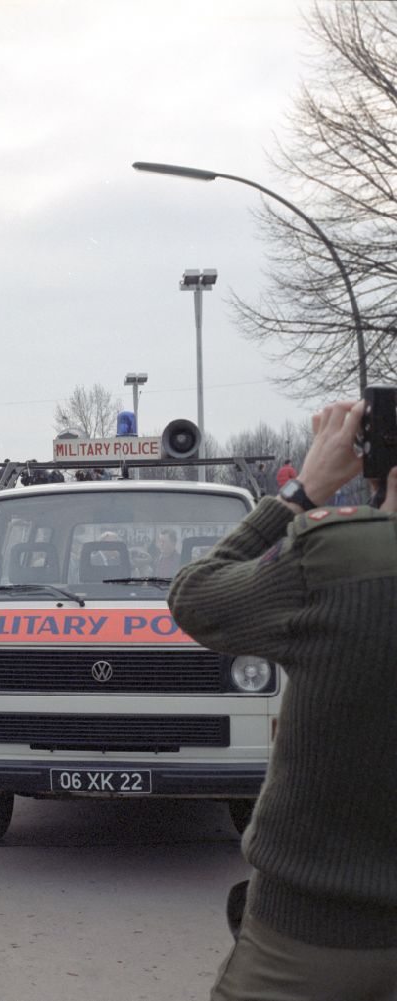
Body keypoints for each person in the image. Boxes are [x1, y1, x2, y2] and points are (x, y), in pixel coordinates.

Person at [168, 399, 397, 1001]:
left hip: (312, 936)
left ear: (379, 459)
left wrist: (305, 488)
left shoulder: (338, 557)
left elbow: (195, 596)